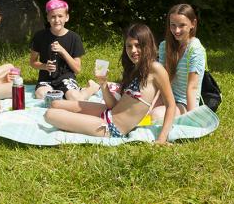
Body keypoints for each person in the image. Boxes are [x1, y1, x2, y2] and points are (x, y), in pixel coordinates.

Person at [44, 23, 176, 143]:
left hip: (111, 127)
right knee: (55, 104)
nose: (133, 50)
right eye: (129, 46)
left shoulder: (156, 69)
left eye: (138, 45)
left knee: (49, 114)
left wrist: (161, 139)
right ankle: (75, 123)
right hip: (108, 112)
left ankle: (76, 124)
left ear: (147, 45)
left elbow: (171, 105)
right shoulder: (135, 69)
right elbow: (113, 106)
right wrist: (103, 84)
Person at [29, 0, 99, 101]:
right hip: (46, 78)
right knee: (41, 95)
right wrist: (45, 66)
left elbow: (77, 69)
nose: (57, 20)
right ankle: (61, 97)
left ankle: (92, 88)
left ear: (67, 17)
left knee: (75, 98)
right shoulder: (40, 36)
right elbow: (32, 62)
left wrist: (63, 51)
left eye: (60, 16)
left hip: (66, 78)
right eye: (53, 16)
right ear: (47, 18)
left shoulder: (74, 38)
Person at [149, 3, 205, 120]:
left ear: (193, 24)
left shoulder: (195, 49)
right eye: (173, 25)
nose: (176, 30)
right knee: (141, 110)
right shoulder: (165, 46)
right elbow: (163, 79)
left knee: (156, 115)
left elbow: (192, 87)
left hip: (184, 102)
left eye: (182, 25)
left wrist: (192, 119)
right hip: (167, 95)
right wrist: (151, 103)